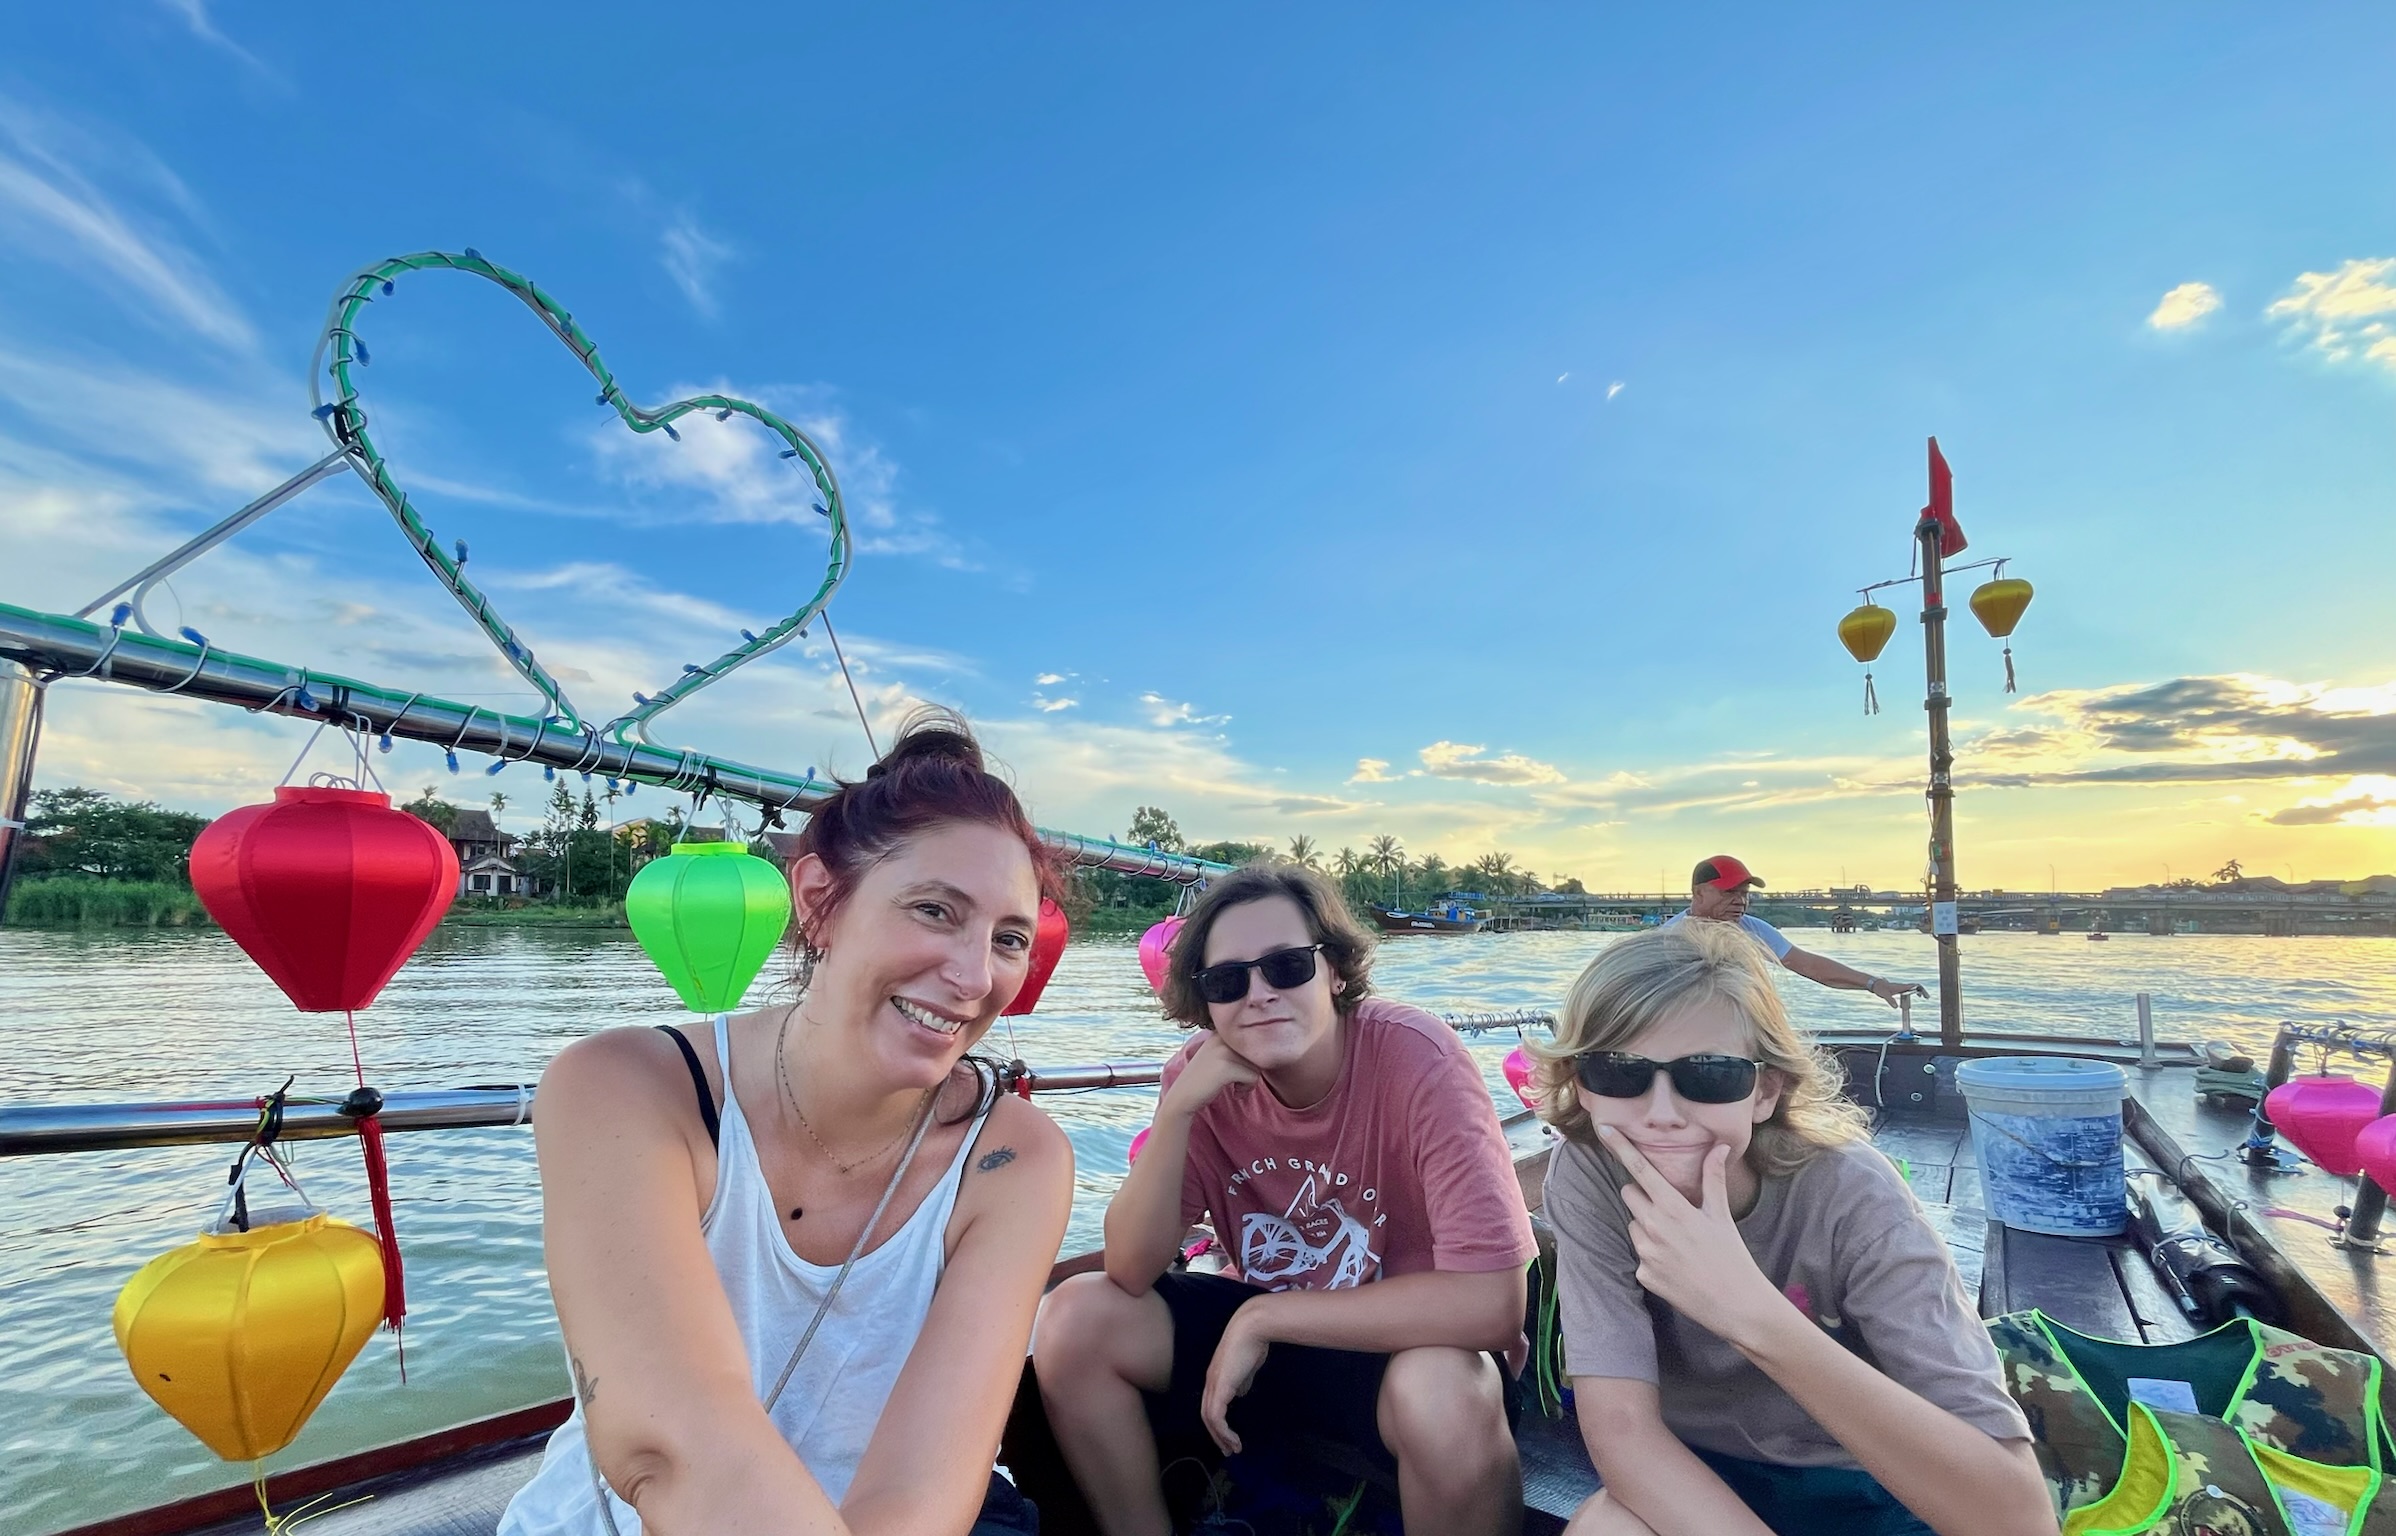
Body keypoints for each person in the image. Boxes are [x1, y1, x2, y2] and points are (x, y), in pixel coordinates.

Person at [499, 710, 1073, 1536]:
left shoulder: (1012, 1157)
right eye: (935, 911)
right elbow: (672, 1448)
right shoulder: (628, 1089)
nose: (976, 976)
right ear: (819, 901)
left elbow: (923, 1495)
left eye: (1009, 938)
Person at [1032, 862, 1536, 1536]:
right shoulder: (1199, 1079)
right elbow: (1128, 1269)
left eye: (1287, 966)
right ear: (1205, 1001)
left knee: (1444, 1391)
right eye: (1227, 981)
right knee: (1075, 1318)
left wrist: (1264, 1318)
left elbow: (1493, 1307)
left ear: (1335, 972)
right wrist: (1178, 1111)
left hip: (1407, 1345)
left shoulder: (1417, 1058)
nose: (1260, 994)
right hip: (1273, 1347)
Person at [1531, 922, 2053, 1536]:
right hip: (1703, 1471)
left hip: (1880, 1480)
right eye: (1617, 1071)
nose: (1662, 1114)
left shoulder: (1851, 1193)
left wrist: (1749, 1312)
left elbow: (2017, 1519)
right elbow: (1624, 1431)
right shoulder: (1591, 1172)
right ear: (1582, 1086)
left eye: (1710, 1074)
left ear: (1765, 1091)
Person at [1668, 856, 1921, 1006]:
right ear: (1698, 893)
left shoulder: (1752, 929)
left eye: (1744, 894)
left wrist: (1874, 984)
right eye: (1729, 892)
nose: (1740, 901)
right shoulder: (1668, 939)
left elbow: (1808, 965)